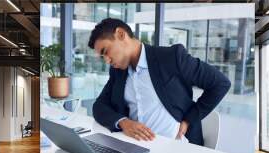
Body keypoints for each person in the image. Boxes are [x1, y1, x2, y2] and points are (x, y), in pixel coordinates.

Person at [88, 18, 231, 146]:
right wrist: (124, 122)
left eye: (106, 51)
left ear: (121, 34)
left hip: (178, 147)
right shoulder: (118, 72)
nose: (106, 60)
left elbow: (220, 83)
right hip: (134, 148)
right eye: (102, 57)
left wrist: (189, 119)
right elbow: (99, 106)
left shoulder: (171, 57)